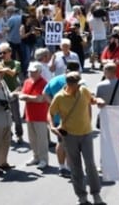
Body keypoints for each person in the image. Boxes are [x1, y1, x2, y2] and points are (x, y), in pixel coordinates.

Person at [48, 72, 106, 205]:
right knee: (75, 167)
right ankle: (82, 197)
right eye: (77, 84)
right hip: (70, 136)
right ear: (69, 84)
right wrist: (51, 126)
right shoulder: (59, 97)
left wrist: (98, 101)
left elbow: (92, 100)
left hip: (86, 134)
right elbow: (50, 113)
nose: (79, 86)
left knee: (90, 165)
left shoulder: (83, 90)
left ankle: (96, 195)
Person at [18, 63, 49, 169]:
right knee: (32, 138)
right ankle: (35, 157)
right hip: (29, 114)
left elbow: (40, 99)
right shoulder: (27, 82)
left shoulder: (44, 83)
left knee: (42, 139)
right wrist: (28, 97)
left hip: (40, 115)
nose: (31, 73)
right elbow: (22, 94)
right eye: (30, 71)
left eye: (34, 72)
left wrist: (26, 97)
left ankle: (44, 159)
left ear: (40, 72)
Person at [0, 42, 24, 144]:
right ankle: (9, 134)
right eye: (0, 53)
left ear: (10, 52)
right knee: (5, 117)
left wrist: (5, 69)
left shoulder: (16, 63)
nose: (2, 55)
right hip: (2, 93)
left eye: (4, 53)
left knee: (16, 116)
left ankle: (19, 134)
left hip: (13, 92)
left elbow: (13, 73)